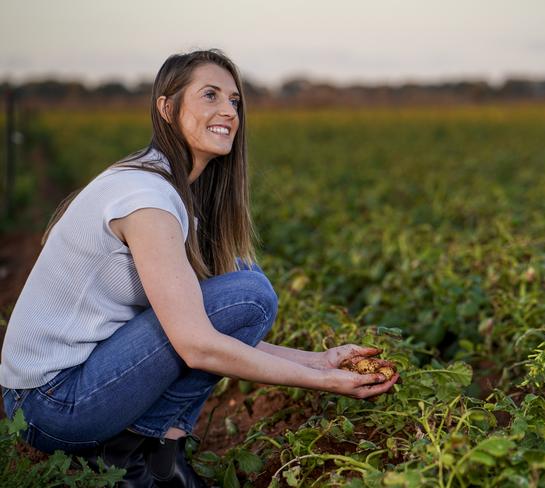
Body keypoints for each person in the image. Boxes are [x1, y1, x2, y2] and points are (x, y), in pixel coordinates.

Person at [0, 49, 399, 487]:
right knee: (249, 295)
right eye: (210, 95)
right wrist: (321, 383)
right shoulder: (147, 199)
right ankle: (137, 461)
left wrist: (320, 362)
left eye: (234, 101)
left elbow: (198, 329)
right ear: (167, 108)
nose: (228, 110)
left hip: (60, 391)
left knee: (243, 286)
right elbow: (197, 344)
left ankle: (158, 458)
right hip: (52, 404)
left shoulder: (166, 188)